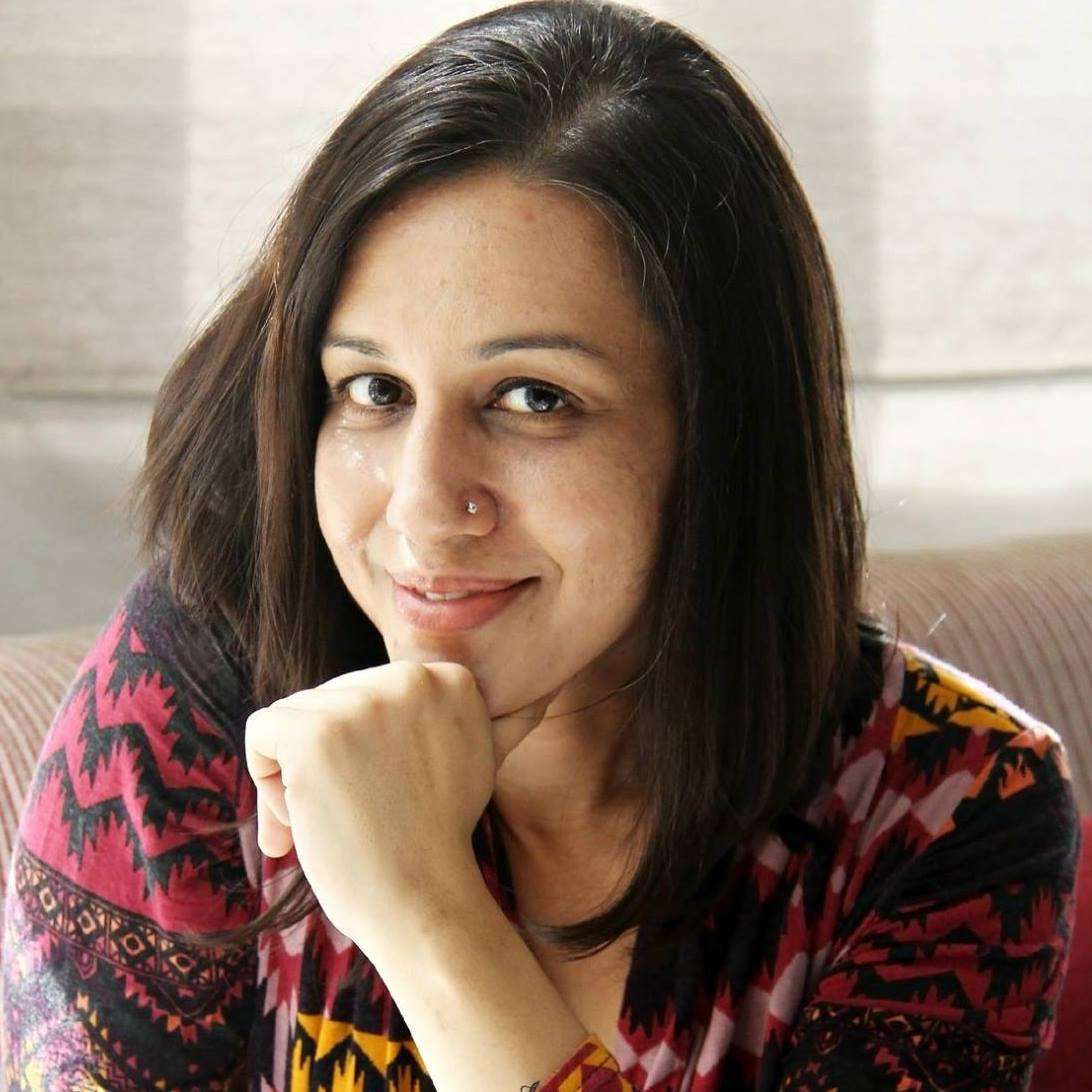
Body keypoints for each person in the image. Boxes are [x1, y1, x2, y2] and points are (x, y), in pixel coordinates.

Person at [1, 1, 1080, 1089]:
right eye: (374, 389)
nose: (424, 507)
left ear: (723, 438)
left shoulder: (952, 805)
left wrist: (426, 913)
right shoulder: (200, 688)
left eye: (533, 398)